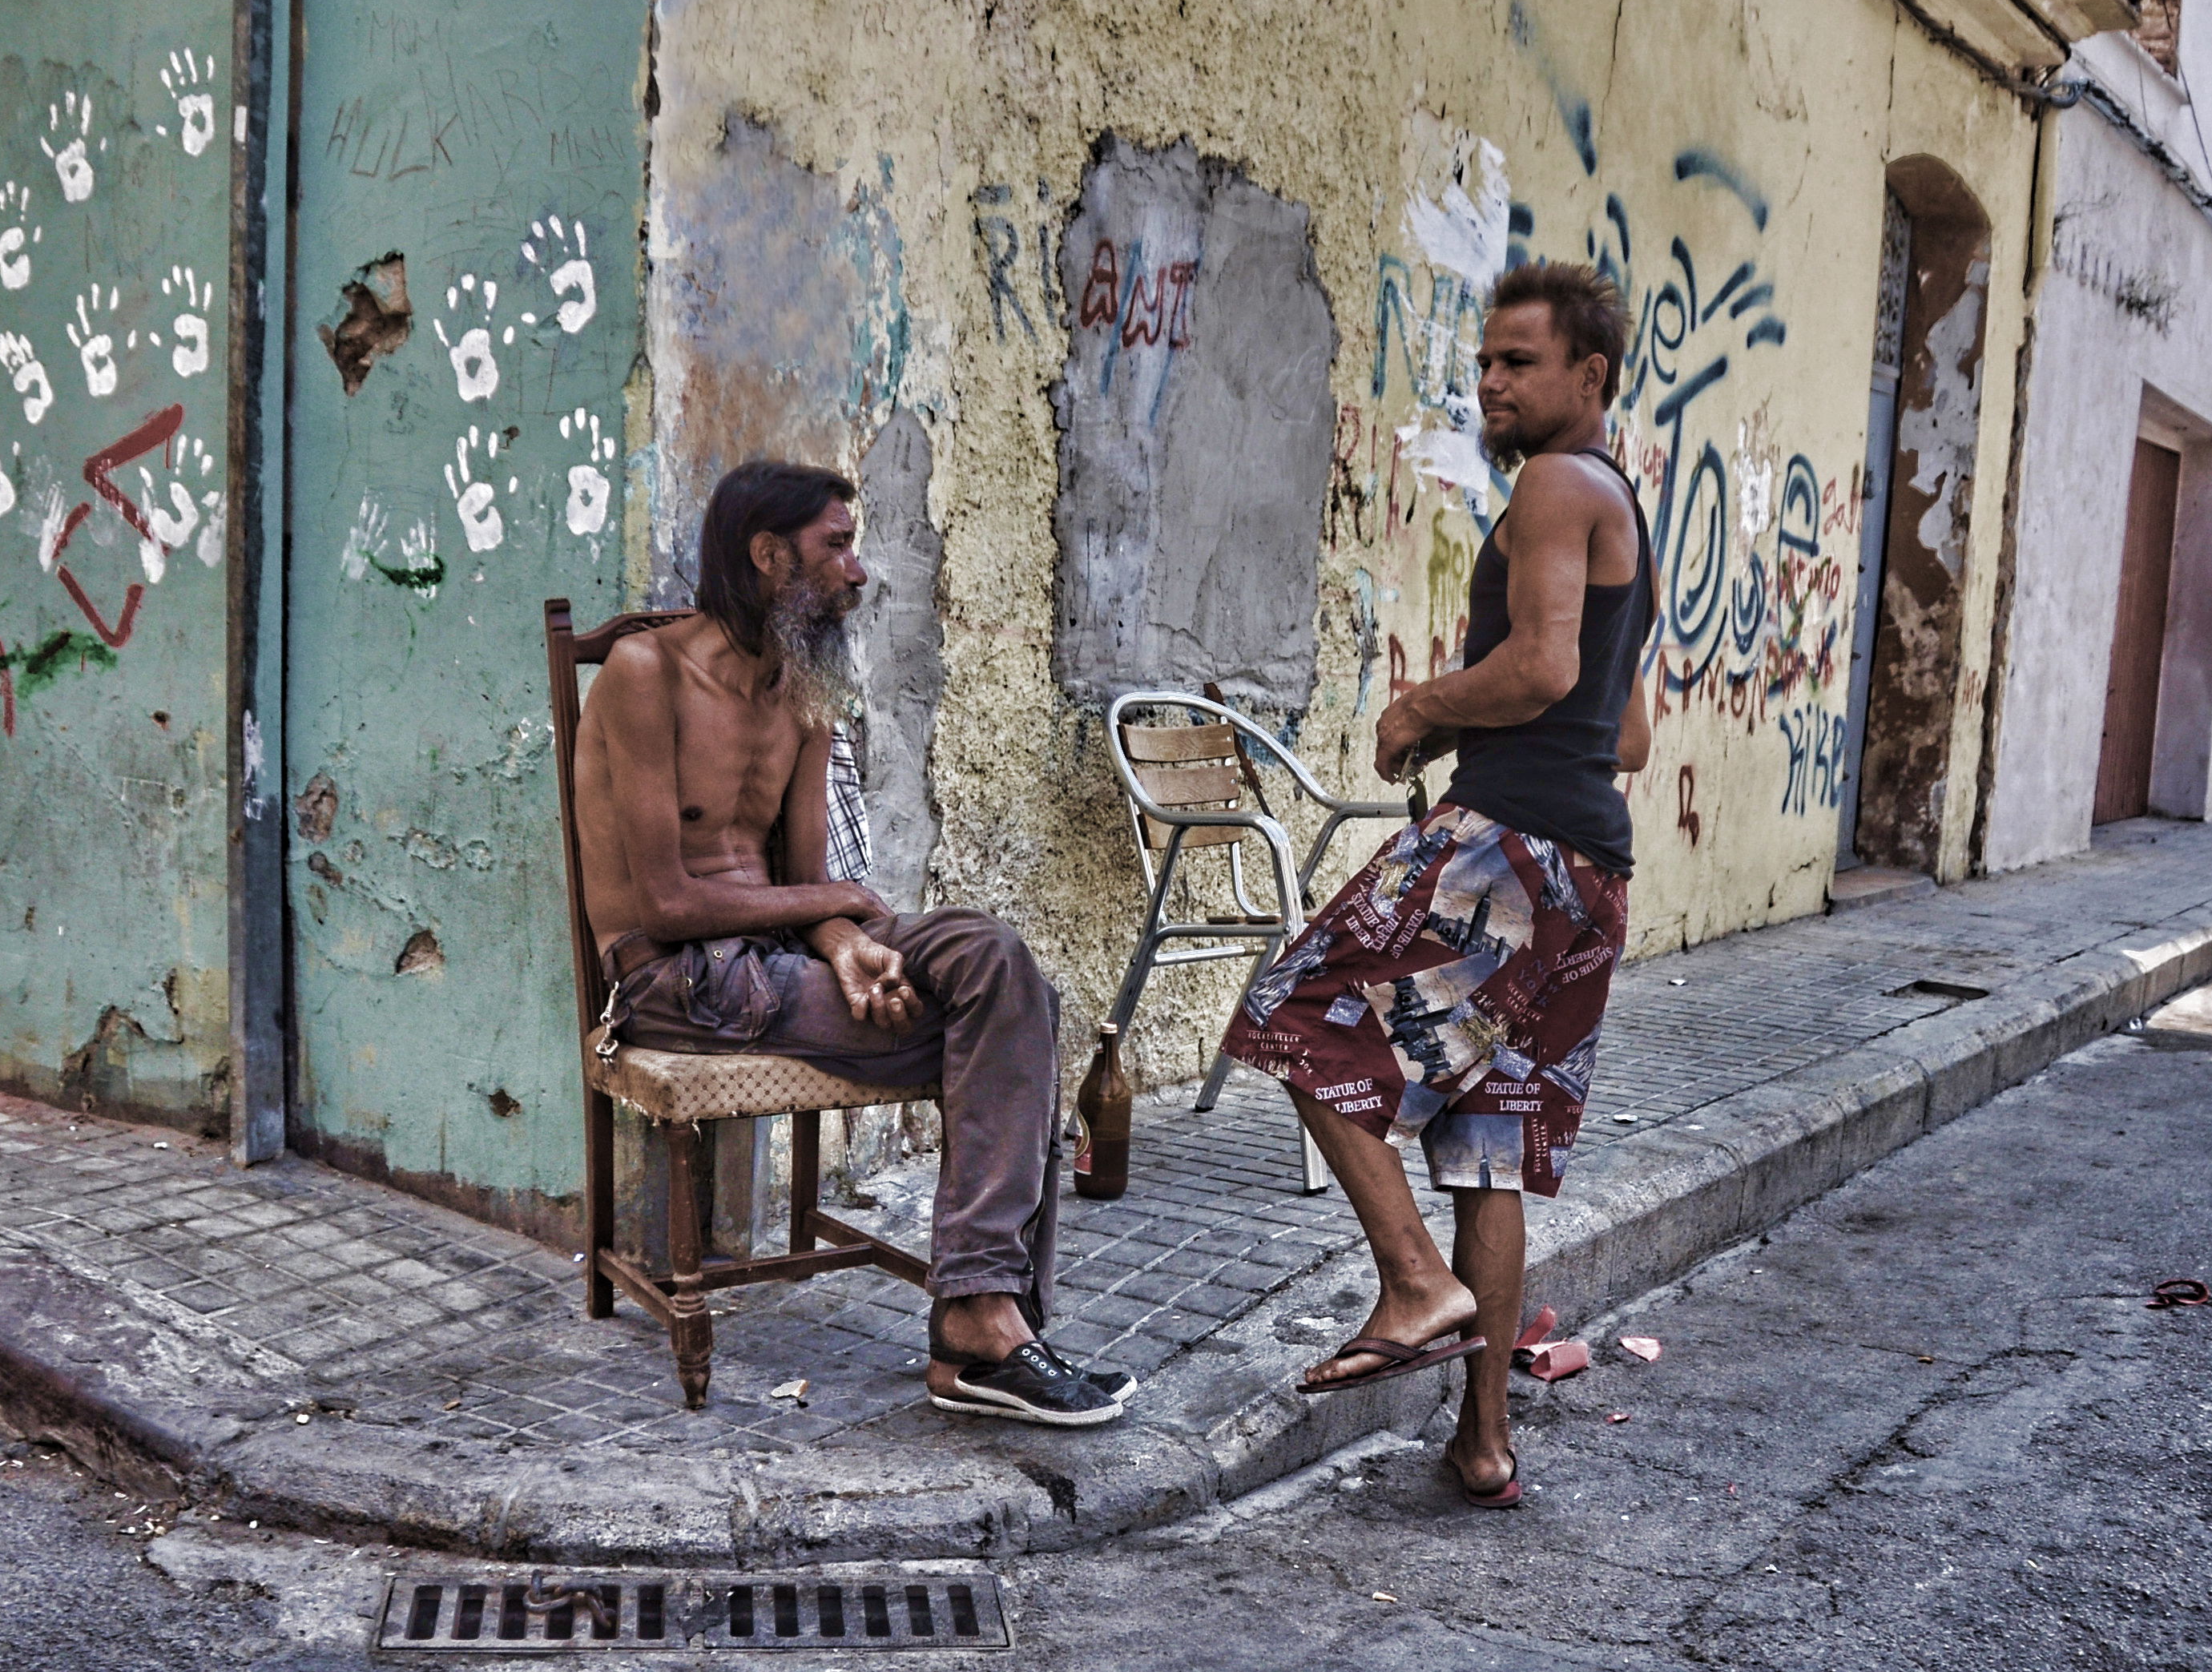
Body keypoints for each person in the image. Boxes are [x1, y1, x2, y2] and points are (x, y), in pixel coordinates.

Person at [1219, 262, 1655, 1512]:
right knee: (1488, 1144)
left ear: (1591, 378)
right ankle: (1483, 1442)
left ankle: (1413, 1283)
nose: (1492, 382)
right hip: (1591, 869)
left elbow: (1540, 668)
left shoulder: (1559, 485)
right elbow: (1629, 733)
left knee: (1294, 1009)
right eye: (1485, 361)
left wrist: (1420, 708)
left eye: (1520, 362)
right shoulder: (1623, 505)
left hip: (1510, 840)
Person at [574, 460, 1124, 1427]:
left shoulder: (804, 684)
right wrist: (832, 906)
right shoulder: (643, 672)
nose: (858, 570)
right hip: (674, 982)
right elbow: (662, 902)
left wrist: (840, 943)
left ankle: (983, 1318)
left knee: (998, 966)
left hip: (782, 963)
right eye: (836, 545)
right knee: (1007, 1034)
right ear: (766, 554)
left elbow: (798, 887)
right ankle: (986, 1328)